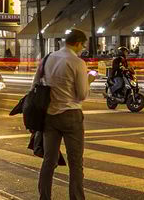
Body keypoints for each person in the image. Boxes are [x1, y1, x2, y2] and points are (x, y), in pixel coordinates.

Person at [37, 28, 89, 200]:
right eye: (82, 46)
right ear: (78, 43)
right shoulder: (77, 63)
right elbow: (82, 94)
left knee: (49, 161)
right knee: (75, 163)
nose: (82, 49)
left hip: (50, 115)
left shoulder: (48, 58)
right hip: (71, 114)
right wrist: (89, 79)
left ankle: (44, 197)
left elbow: (36, 84)